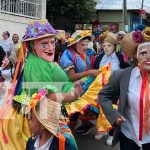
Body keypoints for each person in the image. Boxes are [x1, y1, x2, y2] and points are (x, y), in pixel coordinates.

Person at [0, 19, 82, 150]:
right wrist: (71, 94)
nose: (50, 48)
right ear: (33, 46)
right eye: (44, 44)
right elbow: (44, 97)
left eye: (52, 42)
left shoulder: (40, 60)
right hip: (41, 116)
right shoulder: (36, 65)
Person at [98, 28, 150, 150]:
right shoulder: (122, 76)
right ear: (136, 57)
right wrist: (113, 115)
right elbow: (103, 95)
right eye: (143, 53)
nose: (148, 57)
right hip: (129, 136)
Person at [94, 32, 130, 144]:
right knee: (100, 109)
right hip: (100, 88)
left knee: (113, 110)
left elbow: (128, 70)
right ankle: (102, 130)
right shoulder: (100, 57)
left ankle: (111, 133)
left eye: (109, 46)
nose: (106, 48)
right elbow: (95, 70)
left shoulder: (120, 57)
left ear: (114, 46)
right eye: (104, 46)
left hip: (115, 89)